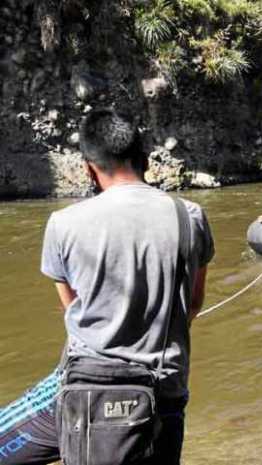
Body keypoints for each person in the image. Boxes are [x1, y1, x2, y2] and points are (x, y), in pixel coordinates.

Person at [0, 109, 214, 465]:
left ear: (88, 167)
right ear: (143, 159)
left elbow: (71, 309)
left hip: (84, 392)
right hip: (164, 395)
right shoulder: (189, 216)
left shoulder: (63, 224)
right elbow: (193, 303)